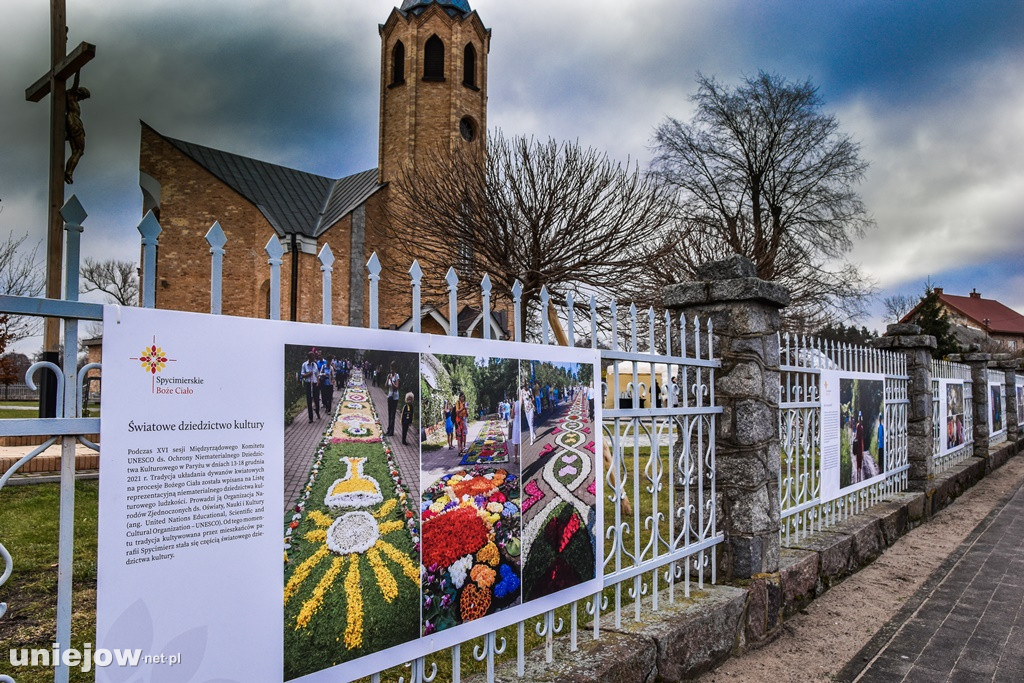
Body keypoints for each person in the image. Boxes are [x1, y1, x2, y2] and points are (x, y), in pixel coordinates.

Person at [299, 352, 320, 422]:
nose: (314, 358)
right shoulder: (304, 365)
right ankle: (310, 418)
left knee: (317, 400)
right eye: (312, 356)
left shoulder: (315, 364)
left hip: (315, 384)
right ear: (309, 357)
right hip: (308, 384)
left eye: (314, 356)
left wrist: (318, 382)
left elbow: (317, 374)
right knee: (309, 401)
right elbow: (302, 375)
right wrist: (308, 374)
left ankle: (317, 411)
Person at [385, 362, 400, 435]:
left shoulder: (397, 376)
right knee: (389, 413)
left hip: (395, 397)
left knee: (393, 414)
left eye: (393, 368)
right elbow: (385, 386)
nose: (391, 370)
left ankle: (391, 431)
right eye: (391, 368)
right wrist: (387, 379)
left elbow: (396, 387)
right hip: (389, 396)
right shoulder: (389, 375)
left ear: (395, 368)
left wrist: (391, 380)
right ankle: (388, 429)